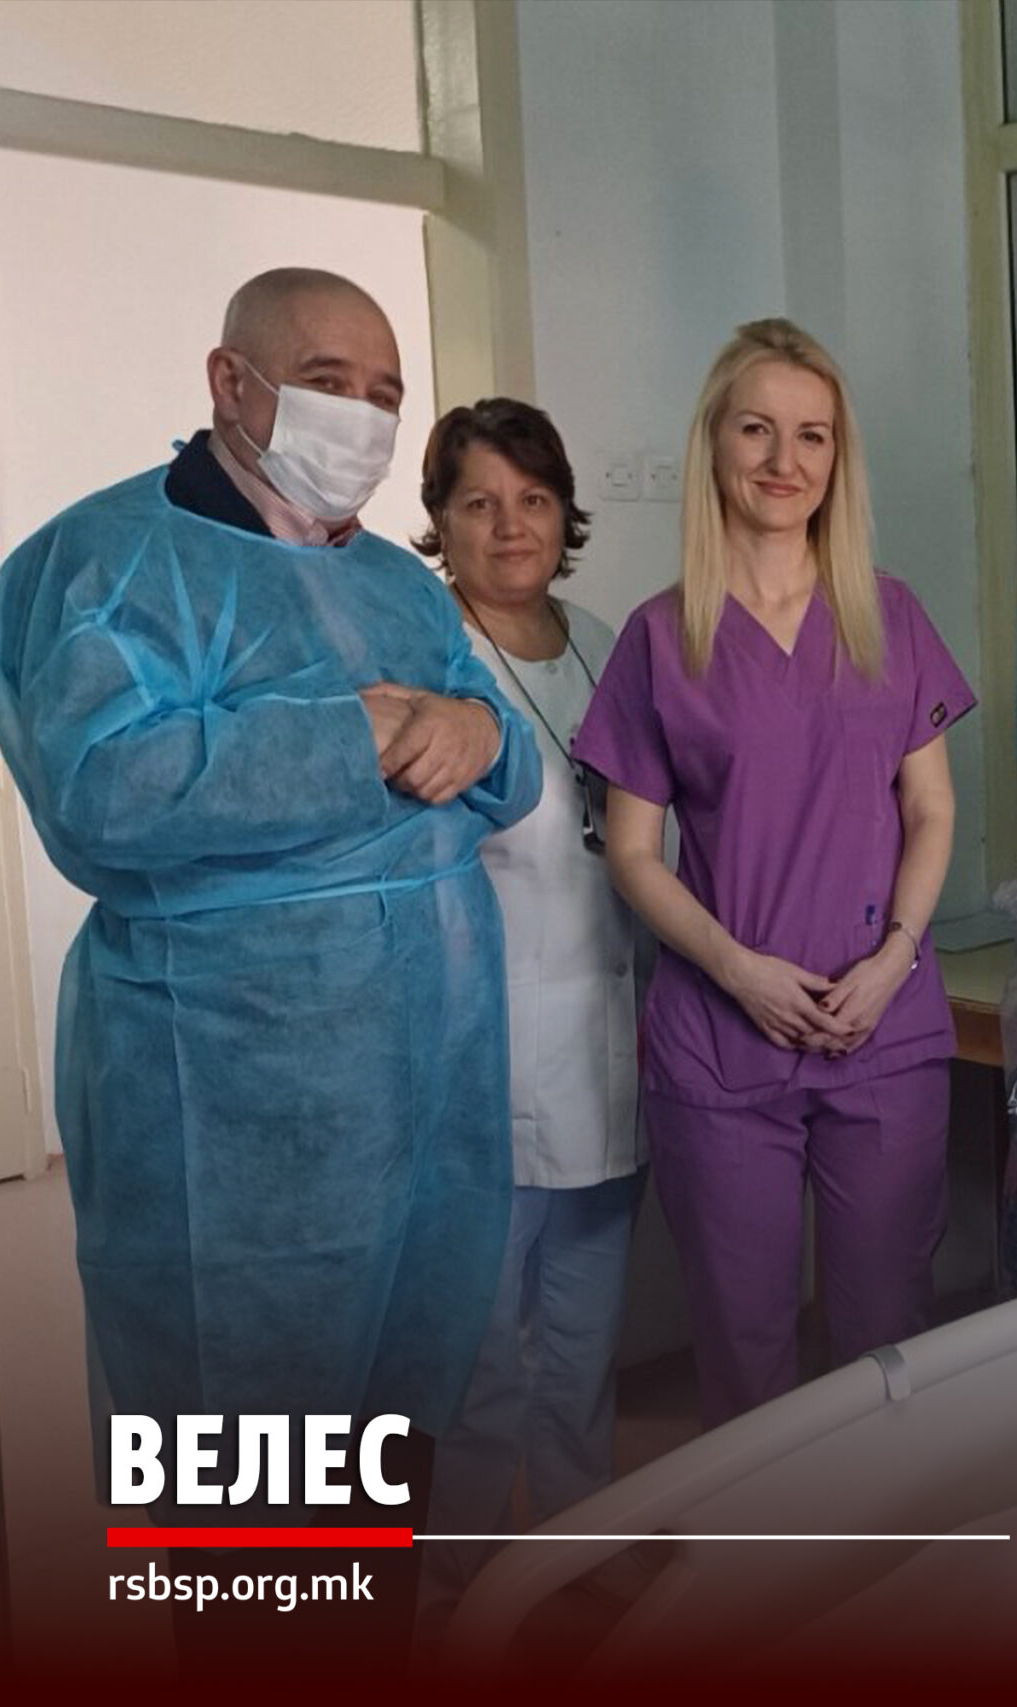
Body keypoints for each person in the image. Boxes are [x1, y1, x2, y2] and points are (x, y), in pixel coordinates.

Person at [0, 268, 540, 1663]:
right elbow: (102, 795)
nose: (362, 416)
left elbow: (500, 759)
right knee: (251, 1498)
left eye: (385, 393)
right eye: (328, 381)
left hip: (426, 1103)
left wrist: (484, 736)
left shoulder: (396, 582)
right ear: (231, 382)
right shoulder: (103, 565)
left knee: (383, 1465)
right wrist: (354, 732)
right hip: (235, 1115)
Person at [573, 318, 974, 1429]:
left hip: (879, 1023)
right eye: (756, 430)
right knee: (743, 1345)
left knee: (888, 1338)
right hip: (722, 1036)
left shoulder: (888, 616)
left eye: (812, 435)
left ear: (838, 458)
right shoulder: (663, 639)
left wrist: (897, 958)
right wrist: (738, 970)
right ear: (714, 442)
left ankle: (882, 1534)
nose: (783, 460)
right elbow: (633, 852)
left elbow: (932, 808)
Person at [408, 398, 645, 1642]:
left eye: (534, 500)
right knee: (478, 1348)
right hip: (477, 1049)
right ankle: (454, 1577)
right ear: (440, 522)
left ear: (565, 515)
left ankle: (574, 1541)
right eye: (480, 503)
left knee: (585, 1332)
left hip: (610, 1037)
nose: (511, 527)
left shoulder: (603, 643)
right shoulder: (425, 653)